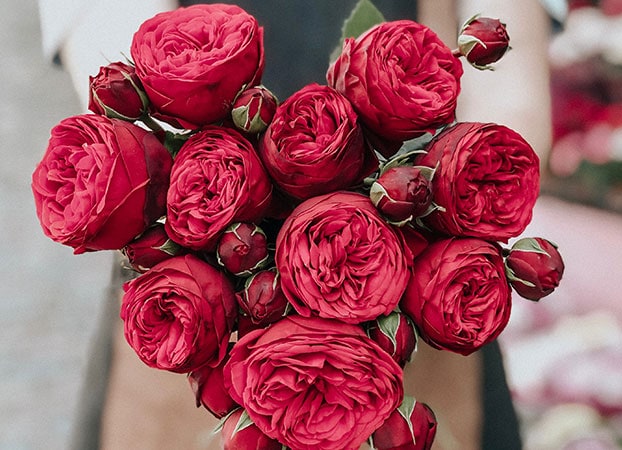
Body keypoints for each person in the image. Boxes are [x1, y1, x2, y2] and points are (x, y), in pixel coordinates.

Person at [39, 1, 553, 448]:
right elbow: (101, 27)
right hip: (192, 290)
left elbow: (517, 102)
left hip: (419, 278)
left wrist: (451, 192)